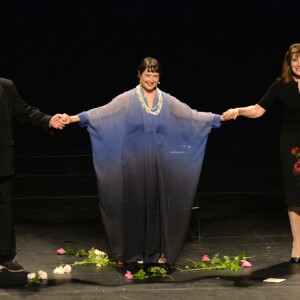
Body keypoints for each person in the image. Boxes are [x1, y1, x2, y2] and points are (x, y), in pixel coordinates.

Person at [62, 57, 230, 266]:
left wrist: (218, 118)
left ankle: (158, 251)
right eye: (147, 74)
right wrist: (73, 118)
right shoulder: (127, 99)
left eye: (155, 75)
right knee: (136, 205)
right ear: (139, 75)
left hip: (159, 162)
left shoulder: (166, 100)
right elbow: (101, 113)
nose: (151, 79)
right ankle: (135, 252)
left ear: (159, 78)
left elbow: (191, 116)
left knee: (157, 205)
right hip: (132, 163)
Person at [223, 43, 300, 263]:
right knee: (295, 195)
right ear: (289, 62)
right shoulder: (281, 85)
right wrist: (237, 110)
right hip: (291, 143)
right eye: (294, 59)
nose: (298, 64)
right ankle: (297, 243)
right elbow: (258, 110)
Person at [0, 77, 65, 272]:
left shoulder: (5, 86)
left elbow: (25, 112)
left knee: (4, 209)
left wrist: (48, 120)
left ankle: (5, 256)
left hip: (1, 158)